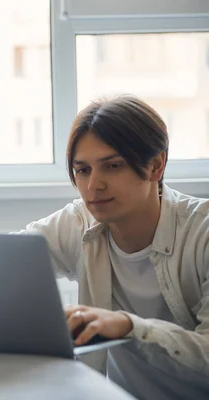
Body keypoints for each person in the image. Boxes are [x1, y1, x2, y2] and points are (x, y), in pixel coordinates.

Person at [19, 95, 209, 399]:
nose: (94, 186)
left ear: (156, 166)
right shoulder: (79, 222)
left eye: (113, 166)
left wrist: (129, 326)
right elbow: (1, 259)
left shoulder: (202, 231)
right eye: (83, 170)